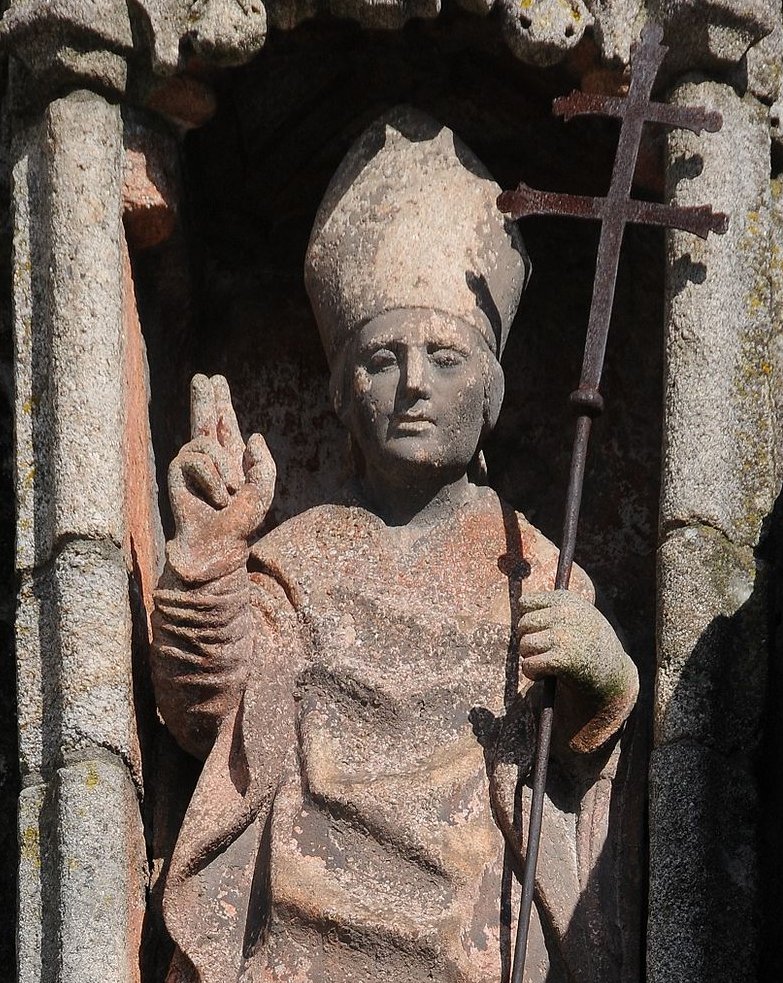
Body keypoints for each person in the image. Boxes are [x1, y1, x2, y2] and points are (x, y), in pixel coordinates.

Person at [151, 107, 639, 983]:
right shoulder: (296, 560)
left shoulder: (535, 568)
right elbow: (204, 713)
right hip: (294, 946)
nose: (413, 383)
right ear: (339, 394)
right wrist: (210, 558)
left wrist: (604, 681)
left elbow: (574, 758)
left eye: (445, 357)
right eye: (381, 357)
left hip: (472, 943)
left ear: (490, 394)